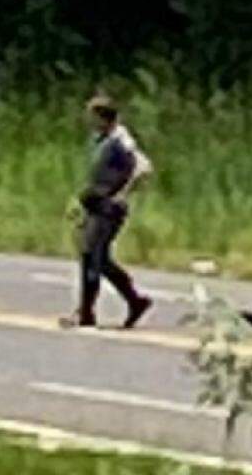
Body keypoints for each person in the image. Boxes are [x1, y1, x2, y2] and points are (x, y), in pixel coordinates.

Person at [62, 96, 153, 329]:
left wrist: (122, 194)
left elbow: (143, 167)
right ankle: (132, 301)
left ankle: (87, 313)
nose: (90, 121)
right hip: (95, 203)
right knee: (95, 258)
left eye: (94, 116)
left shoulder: (121, 140)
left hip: (108, 208)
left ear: (104, 118)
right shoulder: (102, 140)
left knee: (93, 256)